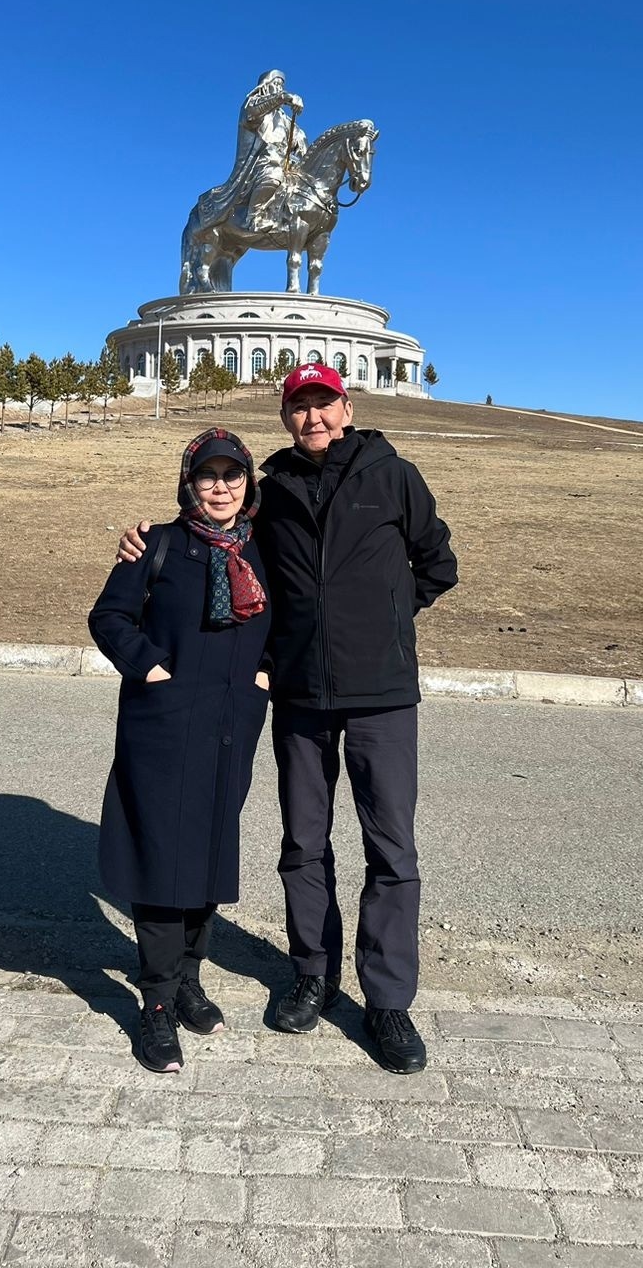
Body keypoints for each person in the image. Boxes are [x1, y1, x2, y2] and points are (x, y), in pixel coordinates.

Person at [119, 365, 457, 1073]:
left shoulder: (395, 476)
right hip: (300, 695)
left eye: (323, 403)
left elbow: (437, 564)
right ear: (285, 417)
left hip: (382, 694)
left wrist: (387, 624)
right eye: (299, 407)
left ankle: (388, 1002)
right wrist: (144, 540)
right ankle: (312, 974)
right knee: (303, 843)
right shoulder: (270, 492)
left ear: (346, 406)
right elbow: (226, 539)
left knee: (391, 849)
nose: (313, 417)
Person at [89, 429, 271, 1073]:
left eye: (232, 474)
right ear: (188, 483)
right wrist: (150, 668)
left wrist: (263, 675)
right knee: (164, 858)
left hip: (231, 725)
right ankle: (157, 1003)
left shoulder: (263, 550)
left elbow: (292, 621)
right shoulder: (157, 544)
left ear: (248, 481)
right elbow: (108, 617)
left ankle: (190, 978)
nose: (220, 486)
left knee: (211, 849)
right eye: (207, 475)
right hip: (163, 725)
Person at [196, 69, 307, 237]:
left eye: (281, 86)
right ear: (266, 85)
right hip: (261, 162)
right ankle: (254, 217)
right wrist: (283, 98)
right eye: (275, 84)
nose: (279, 88)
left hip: (285, 165)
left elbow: (300, 143)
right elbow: (253, 114)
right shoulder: (252, 105)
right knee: (273, 175)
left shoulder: (284, 119)